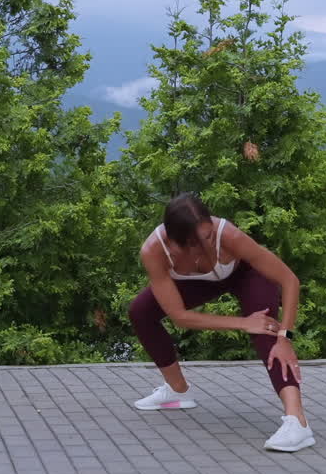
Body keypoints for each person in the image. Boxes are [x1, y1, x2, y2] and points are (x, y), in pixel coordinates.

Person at [128, 192, 314, 452]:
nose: (209, 240)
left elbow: (289, 280)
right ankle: (177, 391)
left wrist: (285, 337)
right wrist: (241, 323)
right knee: (140, 311)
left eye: (209, 233)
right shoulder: (154, 251)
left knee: (266, 327)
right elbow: (180, 317)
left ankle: (298, 422)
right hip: (195, 284)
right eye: (199, 240)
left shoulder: (228, 235)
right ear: (176, 242)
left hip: (244, 275)